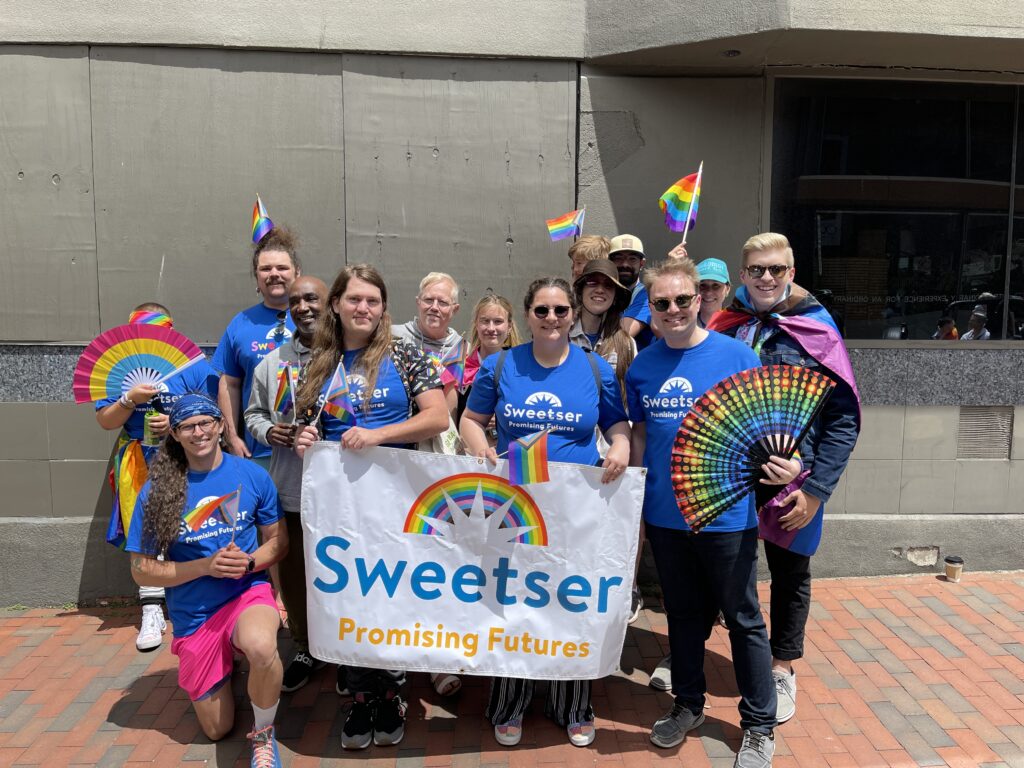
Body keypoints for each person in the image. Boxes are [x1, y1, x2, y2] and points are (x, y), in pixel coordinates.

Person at [626, 258, 801, 767]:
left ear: (701, 300)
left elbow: (770, 427)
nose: (675, 309)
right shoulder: (642, 366)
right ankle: (688, 704)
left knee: (744, 619)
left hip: (726, 515)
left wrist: (791, 463)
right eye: (663, 302)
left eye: (684, 299)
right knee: (681, 616)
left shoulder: (738, 356)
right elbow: (639, 434)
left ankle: (759, 724)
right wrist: (634, 494)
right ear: (652, 309)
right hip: (665, 514)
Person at [461, 276, 631, 749]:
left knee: (569, 600)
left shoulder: (595, 368)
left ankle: (572, 703)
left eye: (560, 310)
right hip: (514, 503)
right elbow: (471, 420)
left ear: (573, 315)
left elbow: (615, 421)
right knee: (513, 599)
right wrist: (481, 450)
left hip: (576, 509)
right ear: (527, 316)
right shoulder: (499, 365)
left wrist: (618, 442)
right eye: (542, 310)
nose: (552, 318)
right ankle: (509, 701)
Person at [293, 264, 449, 750]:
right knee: (348, 595)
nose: (364, 308)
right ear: (336, 304)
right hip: (339, 504)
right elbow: (306, 423)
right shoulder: (320, 361)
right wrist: (305, 440)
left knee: (391, 592)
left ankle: (393, 695)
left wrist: (378, 435)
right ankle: (360, 696)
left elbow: (437, 415)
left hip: (397, 499)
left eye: (373, 301)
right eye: (355, 299)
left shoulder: (403, 354)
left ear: (383, 308)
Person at [708, 232, 861, 726]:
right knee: (729, 569)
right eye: (757, 270)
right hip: (731, 474)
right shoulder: (725, 325)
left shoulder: (817, 329)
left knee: (790, 574)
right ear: (744, 273)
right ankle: (706, 653)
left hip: (795, 479)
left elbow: (843, 417)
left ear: (792, 272)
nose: (767, 278)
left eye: (776, 269)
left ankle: (781, 667)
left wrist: (815, 489)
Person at [125, 393, 288, 767]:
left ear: (219, 426)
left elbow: (278, 542)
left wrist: (248, 564)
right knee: (216, 729)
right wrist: (204, 567)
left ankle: (263, 737)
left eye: (206, 423)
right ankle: (225, 662)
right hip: (194, 613)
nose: (198, 432)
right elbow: (141, 569)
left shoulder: (251, 474)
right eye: (187, 426)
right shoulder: (158, 491)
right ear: (176, 435)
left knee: (262, 647)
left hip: (246, 592)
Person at [95, 303, 219, 652]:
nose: (151, 338)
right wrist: (127, 399)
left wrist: (176, 421)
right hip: (138, 459)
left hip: (183, 455)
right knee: (145, 530)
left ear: (170, 330)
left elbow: (212, 409)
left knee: (190, 524)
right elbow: (105, 419)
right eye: (143, 330)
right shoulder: (118, 369)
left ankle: (196, 599)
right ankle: (151, 608)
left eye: (158, 331)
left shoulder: (191, 365)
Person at [244, 276, 329, 693]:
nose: (303, 307)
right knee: (294, 575)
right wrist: (266, 432)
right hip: (291, 489)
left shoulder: (347, 357)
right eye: (295, 301)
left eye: (311, 298)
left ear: (329, 302)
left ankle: (348, 647)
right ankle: (305, 645)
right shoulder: (271, 363)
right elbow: (252, 414)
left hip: (343, 493)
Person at [568, 259, 642, 622]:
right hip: (571, 448)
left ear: (616, 295)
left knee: (610, 527)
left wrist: (623, 442)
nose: (599, 290)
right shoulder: (559, 331)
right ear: (579, 291)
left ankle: (619, 590)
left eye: (608, 286)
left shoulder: (625, 341)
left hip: (612, 449)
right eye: (591, 283)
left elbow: (630, 398)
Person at [213, 227, 300, 469]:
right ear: (256, 277)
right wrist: (231, 437)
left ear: (297, 272)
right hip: (256, 450)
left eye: (282, 268)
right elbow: (229, 384)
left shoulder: (317, 318)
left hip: (309, 447)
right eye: (266, 269)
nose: (274, 274)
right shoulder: (240, 323)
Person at [461, 294, 523, 422]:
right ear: (476, 325)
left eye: (498, 321)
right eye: (485, 321)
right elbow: (449, 413)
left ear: (509, 327)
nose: (491, 328)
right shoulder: (459, 365)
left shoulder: (521, 368)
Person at [613, 234, 655, 350]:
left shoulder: (647, 294)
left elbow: (623, 335)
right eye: (618, 258)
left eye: (632, 259)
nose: (625, 264)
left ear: (642, 263)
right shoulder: (604, 292)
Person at [695, 257, 732, 328]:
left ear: (727, 289)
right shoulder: (685, 326)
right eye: (703, 285)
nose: (708, 293)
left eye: (716, 285)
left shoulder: (737, 328)